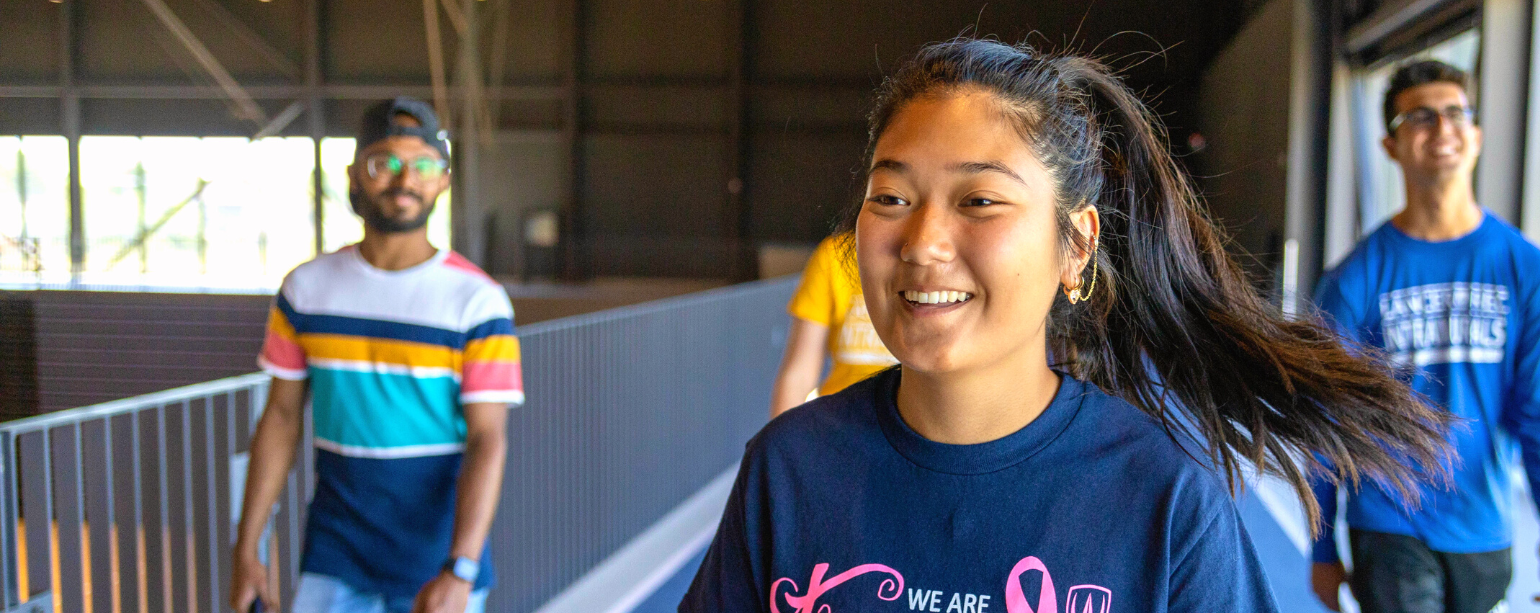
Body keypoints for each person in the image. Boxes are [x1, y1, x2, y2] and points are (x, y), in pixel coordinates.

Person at [680, 38, 1451, 612]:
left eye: (979, 200)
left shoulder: (1163, 500)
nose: (921, 243)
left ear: (1075, 245)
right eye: (892, 197)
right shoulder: (788, 469)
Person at [230, 97, 524, 613]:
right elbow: (279, 419)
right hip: (335, 553)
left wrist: (462, 568)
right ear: (355, 175)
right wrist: (247, 548)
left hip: (437, 564)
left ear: (443, 180)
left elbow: (487, 439)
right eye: (384, 162)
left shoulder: (477, 301)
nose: (403, 179)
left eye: (422, 164)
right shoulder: (305, 289)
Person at [1308, 60, 1540, 613]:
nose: (1442, 128)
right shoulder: (1352, 281)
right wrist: (1321, 549)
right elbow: (1323, 423)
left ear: (1477, 134)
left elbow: (1533, 416)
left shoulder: (1525, 269)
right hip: (1390, 521)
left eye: (1456, 112)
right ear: (1389, 145)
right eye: (1420, 117)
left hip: (1483, 529)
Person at [769, 234, 898, 416]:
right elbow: (799, 375)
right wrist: (779, 441)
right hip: (838, 422)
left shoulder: (937, 257)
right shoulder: (835, 254)